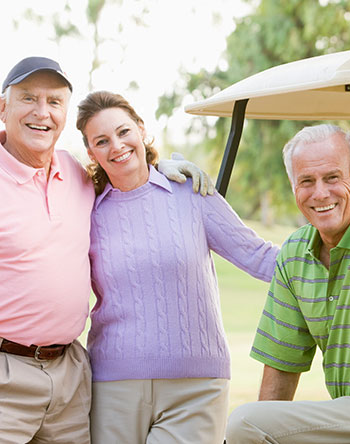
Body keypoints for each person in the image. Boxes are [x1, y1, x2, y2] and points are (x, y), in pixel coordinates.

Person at [0, 57, 208, 443]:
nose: (42, 113)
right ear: (2, 108)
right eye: (28, 99)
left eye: (54, 102)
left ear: (65, 112)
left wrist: (165, 165)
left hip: (68, 378)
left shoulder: (75, 174)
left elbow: (124, 175)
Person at [75, 90, 279, 444]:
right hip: (112, 385)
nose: (117, 146)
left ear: (141, 129)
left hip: (196, 386)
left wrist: (340, 259)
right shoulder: (85, 210)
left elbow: (258, 255)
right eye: (102, 141)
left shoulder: (191, 193)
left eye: (124, 132)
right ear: (91, 152)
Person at [226, 124, 350, 444]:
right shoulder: (295, 253)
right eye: (307, 182)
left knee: (244, 422)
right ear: (293, 186)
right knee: (250, 425)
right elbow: (282, 366)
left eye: (332, 178)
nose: (320, 193)